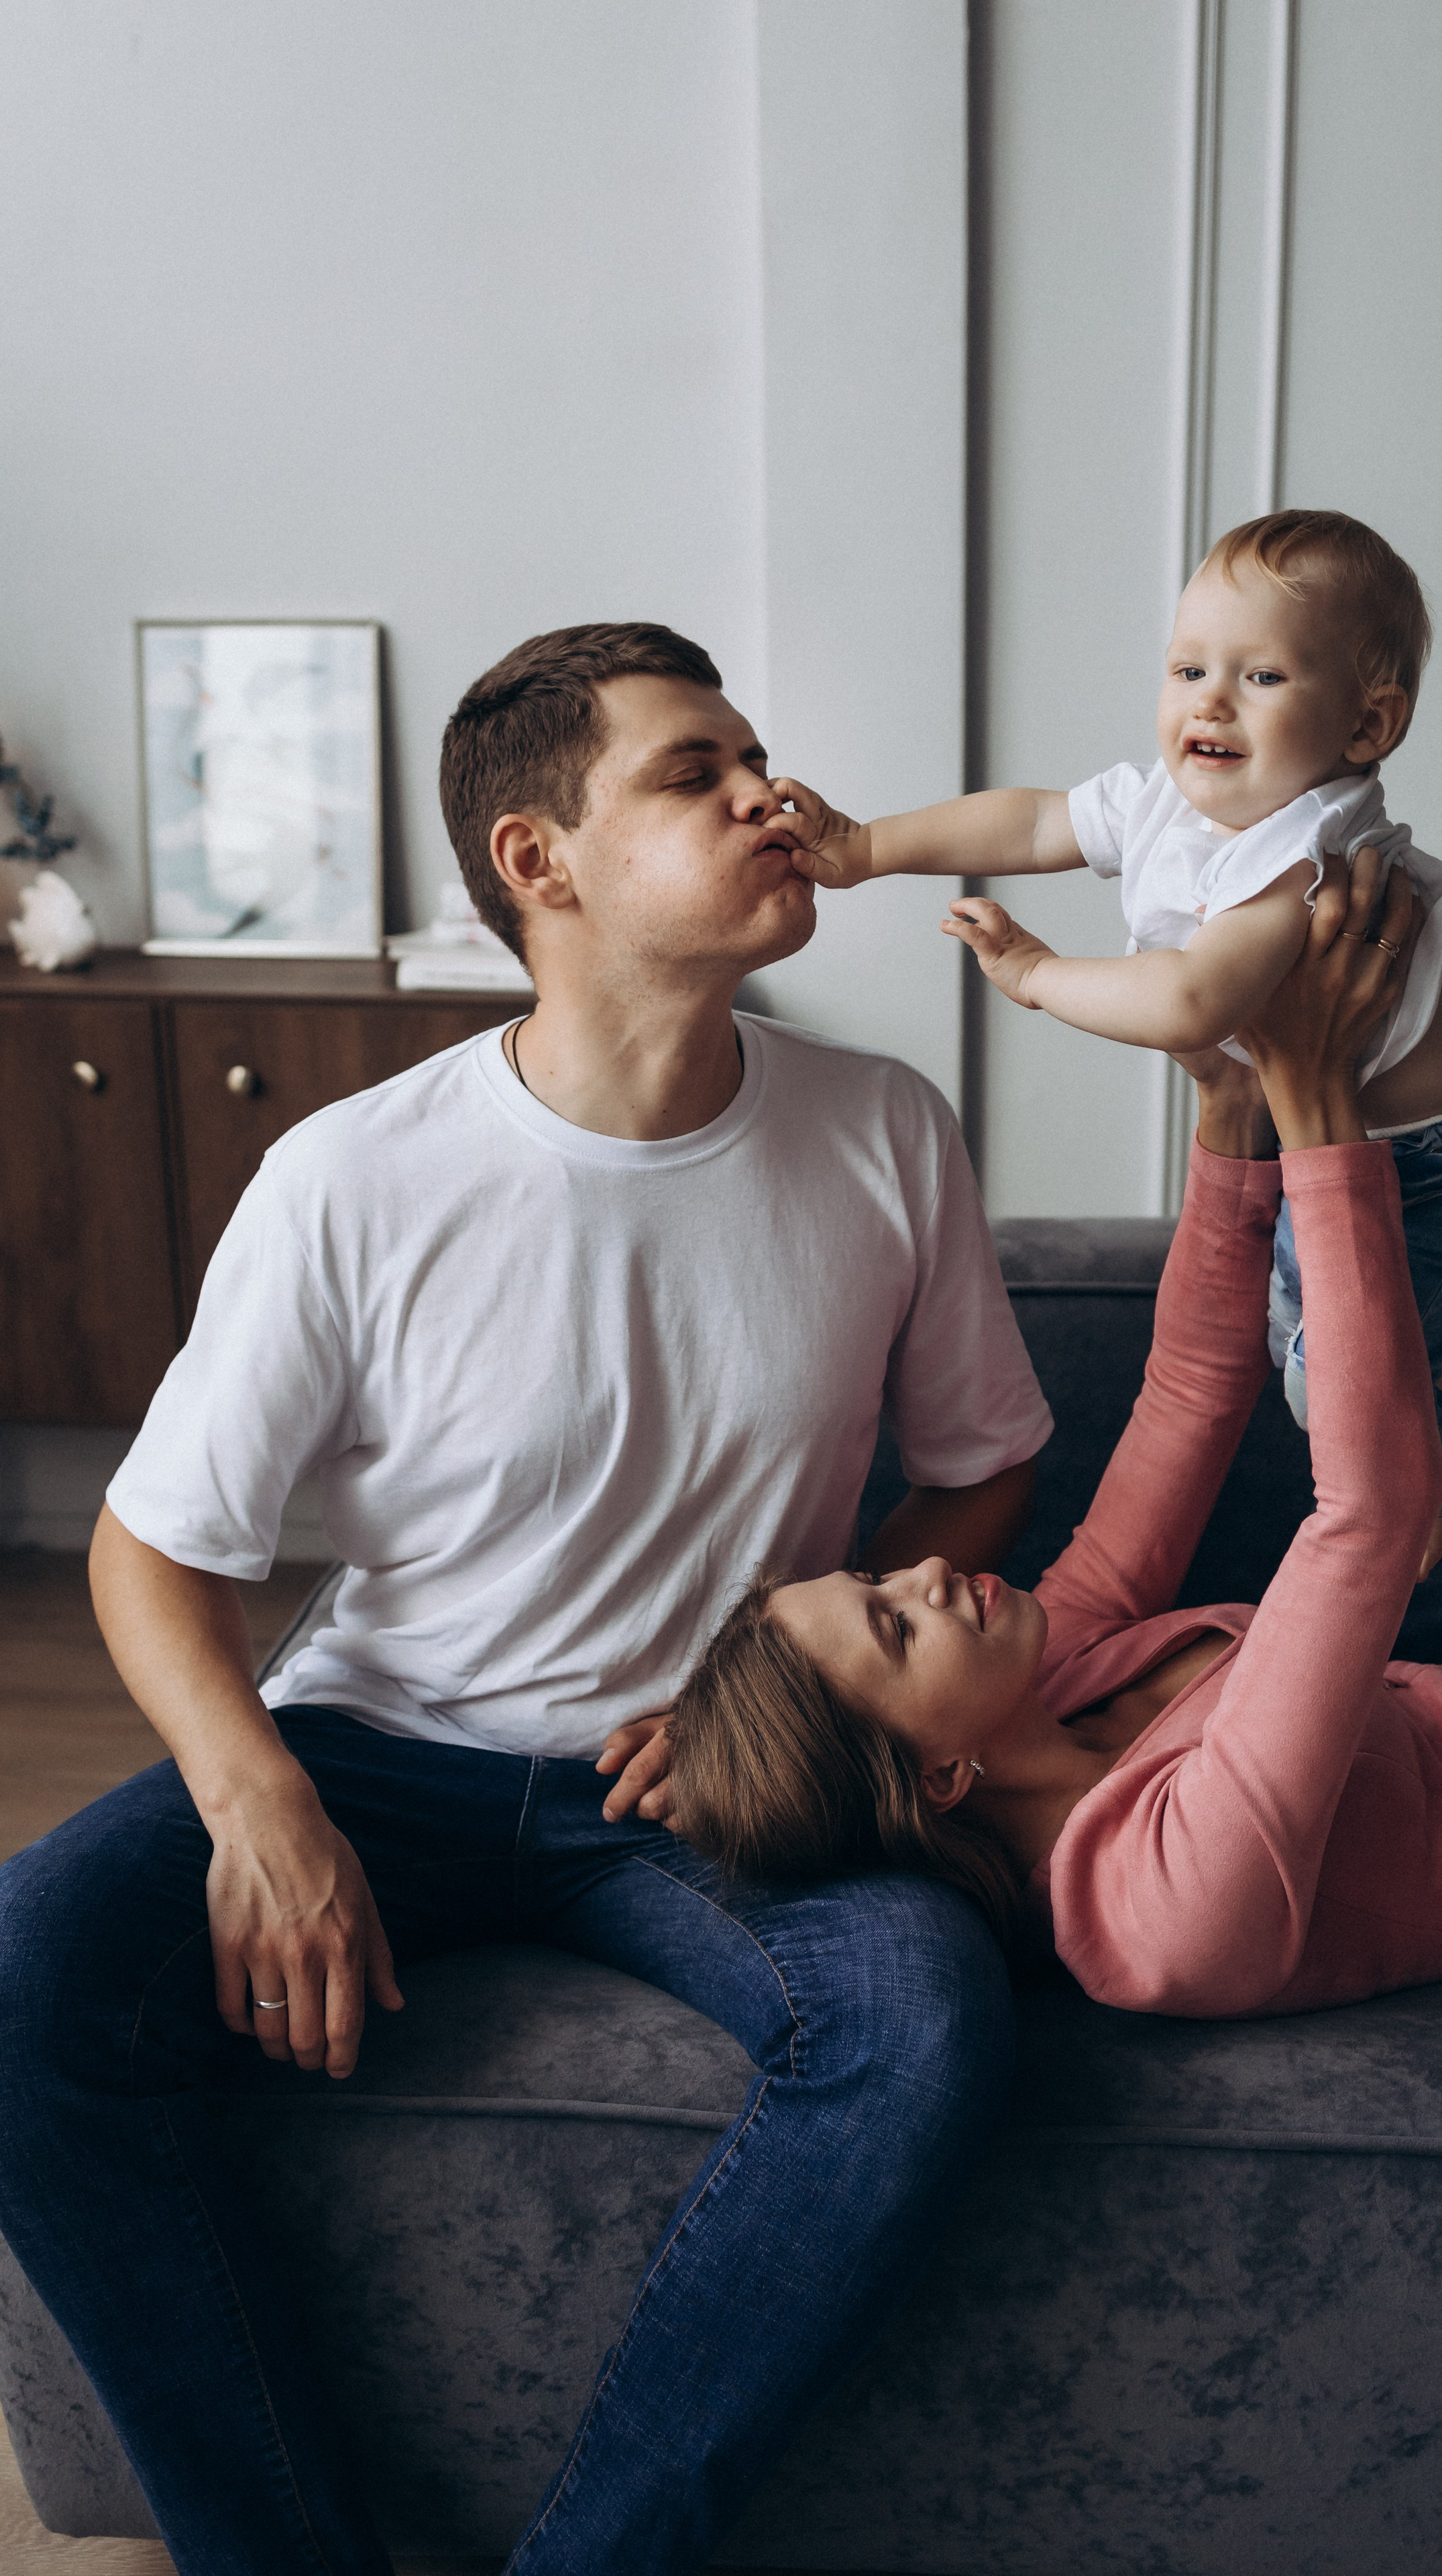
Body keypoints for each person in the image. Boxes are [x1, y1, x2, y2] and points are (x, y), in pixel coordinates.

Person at [0, 623, 1052, 2576]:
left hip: (700, 1789)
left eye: (756, 751)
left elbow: (983, 1456)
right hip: (384, 1749)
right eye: (691, 770)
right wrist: (260, 1802)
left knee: (922, 2022)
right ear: (537, 862)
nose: (768, 792)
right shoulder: (355, 1178)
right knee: (21, 1971)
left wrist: (783, 1685)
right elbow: (153, 1547)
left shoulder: (888, 1129)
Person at [669, 846, 1442, 2019]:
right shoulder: (1160, 1910)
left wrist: (1231, 1111)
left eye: (877, 1576)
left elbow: (1188, 1396)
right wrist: (1319, 1107)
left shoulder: (1057, 1673)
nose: (923, 1572)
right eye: (895, 1627)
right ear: (939, 1779)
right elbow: (1371, 1522)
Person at [777, 509, 1442, 1576]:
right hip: (1344, 1156)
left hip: (1441, 1175)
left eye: (1262, 677)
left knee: (1334, 1384)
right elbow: (1036, 822)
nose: (1209, 702)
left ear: (1368, 727)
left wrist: (1039, 977)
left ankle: (1436, 1472)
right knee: (1298, 1343)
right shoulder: (1180, 804)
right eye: (1187, 668)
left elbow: (1190, 1006)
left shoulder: (1306, 860)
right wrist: (869, 847)